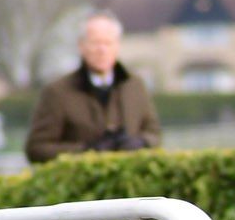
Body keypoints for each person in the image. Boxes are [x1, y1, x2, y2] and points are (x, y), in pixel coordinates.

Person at [24, 11, 163, 163]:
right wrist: (87, 151)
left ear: (117, 46)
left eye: (108, 43)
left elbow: (154, 132)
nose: (102, 50)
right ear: (81, 46)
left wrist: (141, 143)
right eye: (95, 43)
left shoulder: (134, 86)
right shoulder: (58, 93)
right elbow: (37, 148)